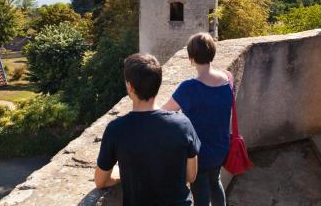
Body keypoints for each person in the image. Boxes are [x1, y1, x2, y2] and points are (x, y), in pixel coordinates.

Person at [94, 53, 201, 206]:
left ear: (130, 87)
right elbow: (191, 176)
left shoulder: (116, 130)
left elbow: (100, 181)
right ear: (158, 84)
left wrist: (122, 176)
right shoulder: (183, 124)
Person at [163, 33, 233, 206]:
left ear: (190, 59)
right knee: (215, 183)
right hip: (221, 148)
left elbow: (164, 112)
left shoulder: (189, 87)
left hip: (198, 155)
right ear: (212, 54)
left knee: (200, 195)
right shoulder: (227, 79)